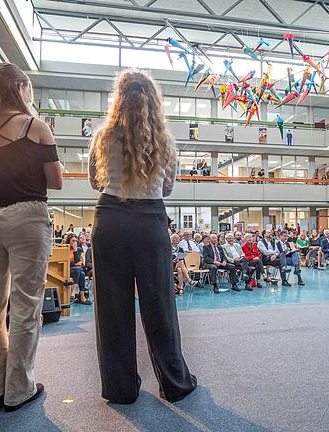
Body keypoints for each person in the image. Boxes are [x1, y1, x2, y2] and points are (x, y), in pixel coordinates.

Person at [89, 69, 197, 404]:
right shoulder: (165, 141)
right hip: (150, 222)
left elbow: (95, 182)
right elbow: (167, 188)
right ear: (154, 99)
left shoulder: (102, 136)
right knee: (160, 305)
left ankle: (120, 388)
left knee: (112, 308)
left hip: (110, 220)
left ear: (118, 99)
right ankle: (175, 384)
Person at [0, 62, 63, 414]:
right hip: (27, 217)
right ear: (20, 87)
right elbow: (55, 180)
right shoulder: (35, 126)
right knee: (25, 305)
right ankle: (19, 389)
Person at [68, 234, 91, 305]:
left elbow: (78, 263)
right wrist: (73, 263)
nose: (74, 242)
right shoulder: (65, 249)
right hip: (68, 269)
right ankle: (82, 297)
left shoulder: (78, 249)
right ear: (68, 241)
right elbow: (68, 263)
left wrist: (75, 250)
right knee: (79, 271)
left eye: (75, 241)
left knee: (81, 272)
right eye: (72, 241)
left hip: (77, 270)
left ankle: (73, 294)